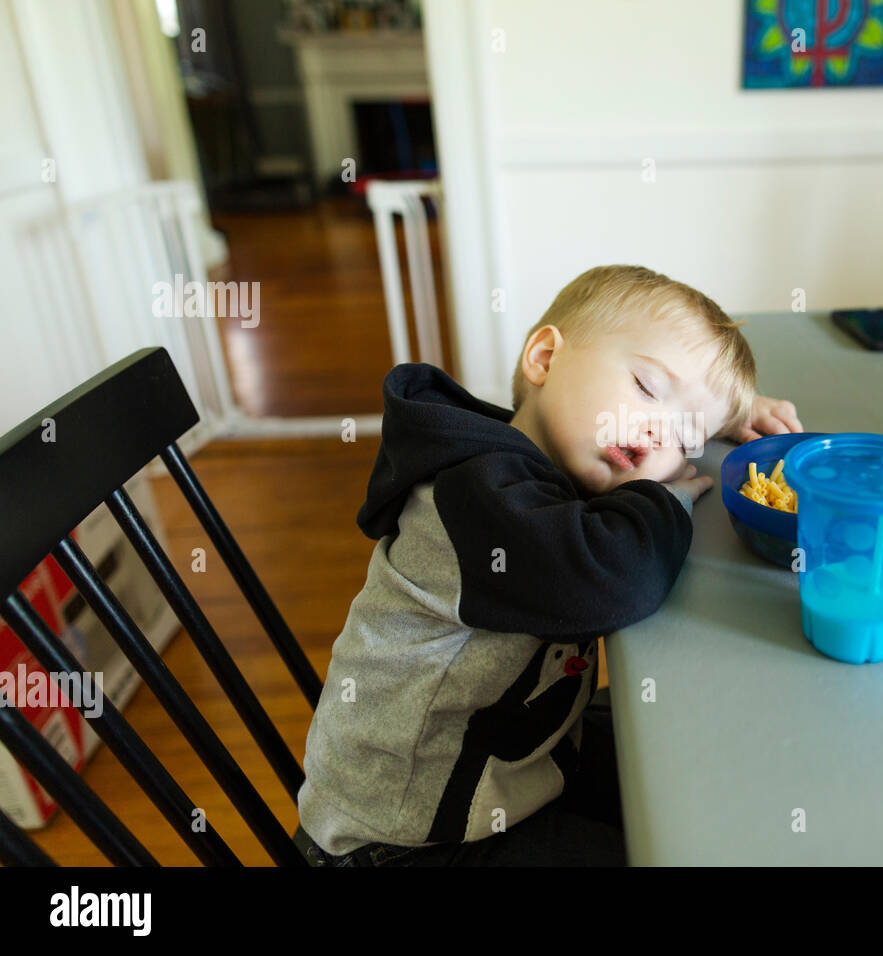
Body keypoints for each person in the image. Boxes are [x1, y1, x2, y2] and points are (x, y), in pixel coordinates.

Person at [293, 265, 802, 866]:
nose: (658, 429)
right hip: (407, 838)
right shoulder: (473, 496)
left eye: (686, 433)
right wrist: (663, 500)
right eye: (645, 386)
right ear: (544, 357)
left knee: (690, 773)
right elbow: (614, 576)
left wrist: (718, 413)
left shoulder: (535, 454)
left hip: (512, 762)